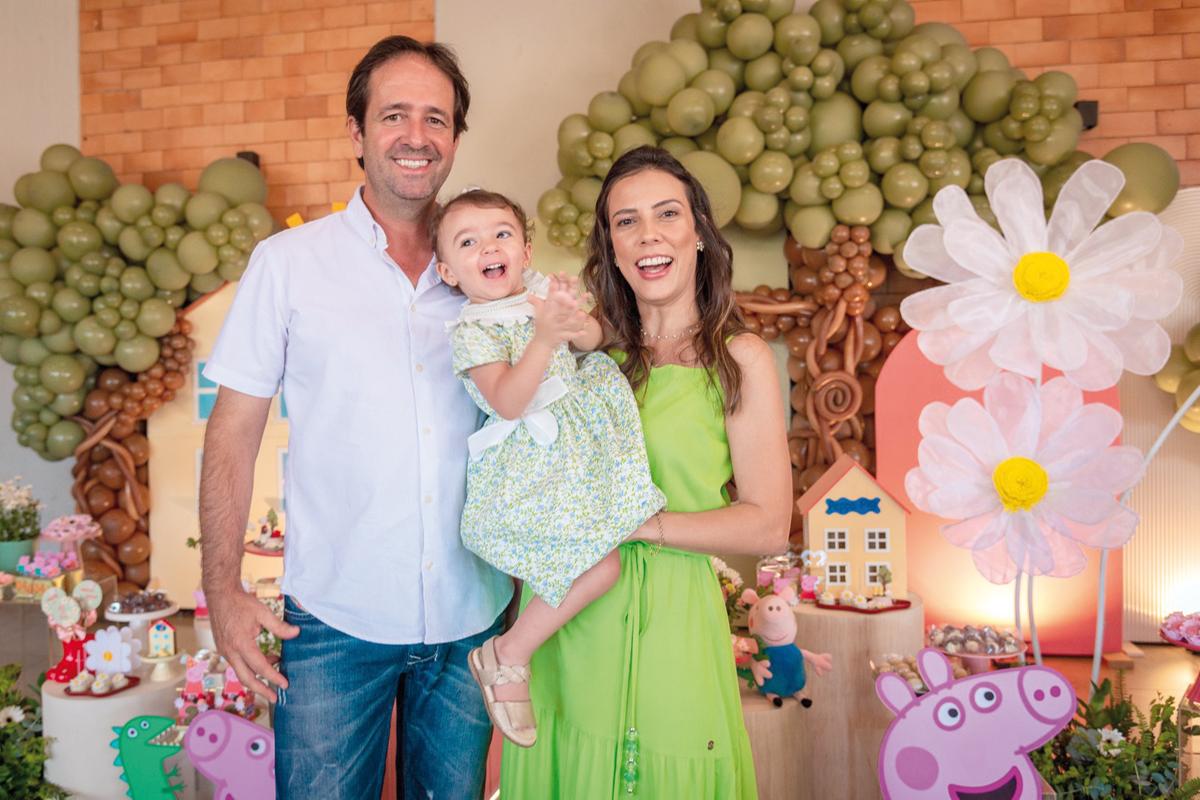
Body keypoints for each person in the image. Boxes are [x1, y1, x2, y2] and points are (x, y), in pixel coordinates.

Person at [197, 36, 512, 798]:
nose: (416, 135)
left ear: (456, 139)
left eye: (436, 119)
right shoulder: (289, 263)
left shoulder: (492, 273)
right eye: (394, 115)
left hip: (473, 618)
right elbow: (231, 431)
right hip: (334, 623)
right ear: (357, 132)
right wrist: (224, 589)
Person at [500, 146, 792, 798]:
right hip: (571, 616)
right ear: (611, 246)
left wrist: (640, 526)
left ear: (698, 234)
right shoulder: (585, 355)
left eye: (667, 213)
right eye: (626, 221)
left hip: (678, 621)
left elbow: (768, 523)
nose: (648, 232)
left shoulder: (739, 359)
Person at [431, 189, 665, 748]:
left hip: (574, 459)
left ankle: (508, 655)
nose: (489, 246)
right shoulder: (473, 330)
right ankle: (509, 654)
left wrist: (569, 318)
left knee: (607, 562)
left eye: (502, 234)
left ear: (526, 249)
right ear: (447, 270)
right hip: (530, 471)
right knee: (602, 568)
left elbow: (593, 339)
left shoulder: (537, 293)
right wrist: (542, 337)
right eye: (469, 242)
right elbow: (508, 401)